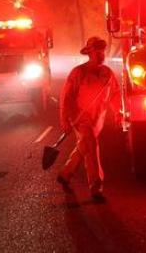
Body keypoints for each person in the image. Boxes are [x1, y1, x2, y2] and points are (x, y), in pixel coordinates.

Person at [57, 36, 120, 202]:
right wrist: (65, 118)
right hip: (80, 117)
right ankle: (96, 189)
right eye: (96, 52)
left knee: (84, 146)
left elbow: (114, 94)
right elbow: (67, 97)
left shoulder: (107, 73)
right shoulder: (78, 72)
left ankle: (65, 174)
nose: (101, 55)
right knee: (92, 146)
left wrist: (118, 111)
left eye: (102, 51)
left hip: (97, 119)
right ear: (89, 53)